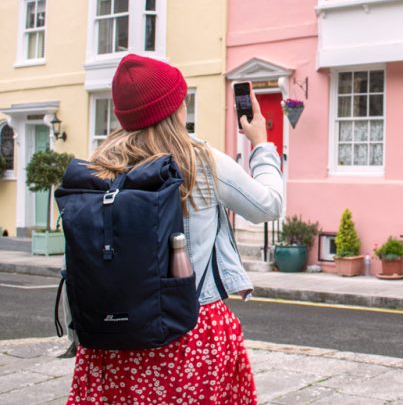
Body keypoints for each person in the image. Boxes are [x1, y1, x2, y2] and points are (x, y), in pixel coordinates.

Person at [66, 54, 283, 404]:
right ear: (175, 108)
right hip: (192, 329)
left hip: (113, 335)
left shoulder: (99, 166)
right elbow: (268, 205)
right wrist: (261, 145)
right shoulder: (202, 161)